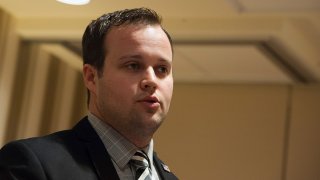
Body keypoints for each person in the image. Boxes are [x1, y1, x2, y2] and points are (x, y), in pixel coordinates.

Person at [0, 7, 178, 180]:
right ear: (92, 77)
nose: (152, 80)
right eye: (133, 65)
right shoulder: (32, 162)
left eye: (162, 69)